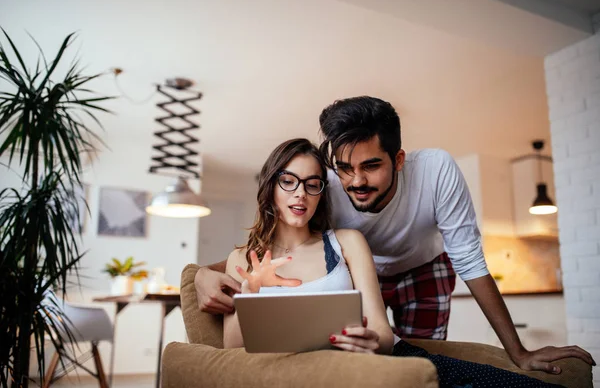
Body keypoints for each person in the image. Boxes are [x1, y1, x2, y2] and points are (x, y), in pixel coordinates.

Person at [195, 96, 596, 374]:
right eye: (344, 168)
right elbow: (271, 245)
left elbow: (470, 260)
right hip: (360, 270)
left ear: (398, 159)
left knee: (420, 360)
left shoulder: (436, 171)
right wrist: (200, 273)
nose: (355, 181)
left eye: (371, 166)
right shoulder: (323, 184)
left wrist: (519, 352)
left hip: (424, 267)